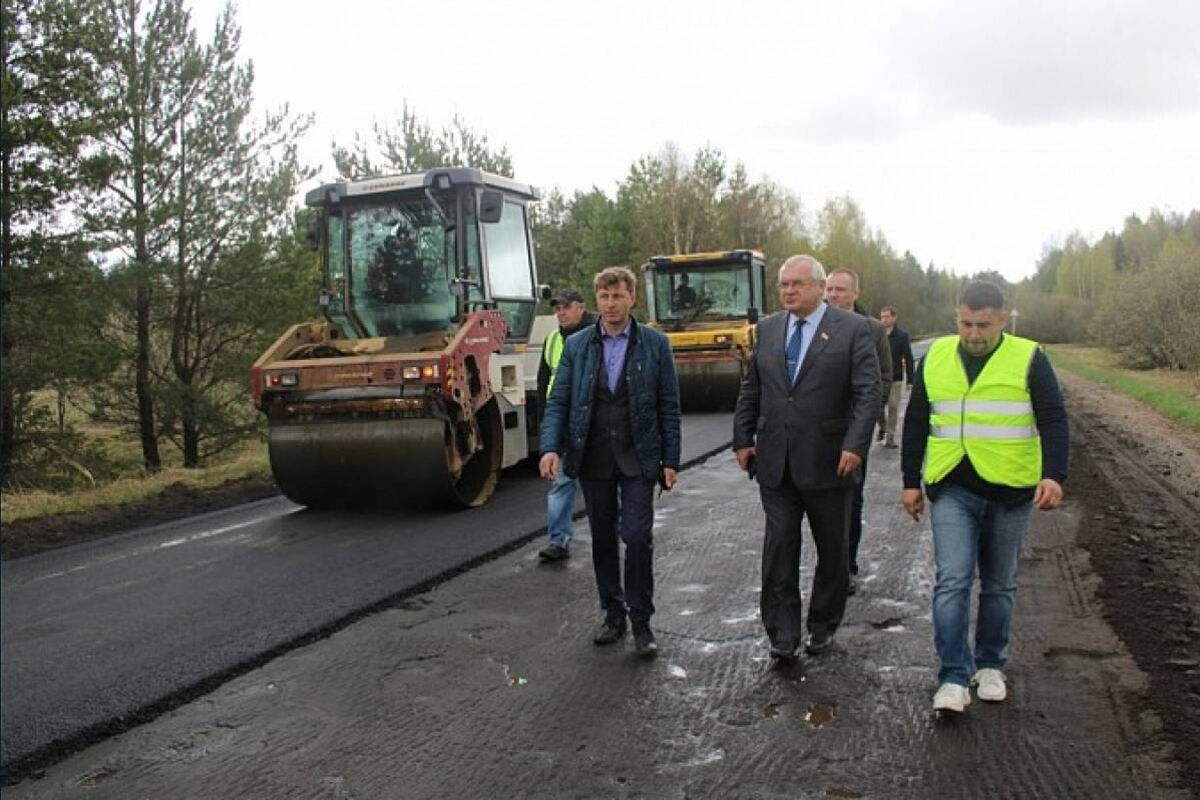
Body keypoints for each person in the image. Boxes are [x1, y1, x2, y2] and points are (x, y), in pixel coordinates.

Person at [900, 280, 1068, 713]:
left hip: (1009, 490)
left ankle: (990, 664)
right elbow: (917, 419)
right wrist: (909, 481)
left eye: (983, 326)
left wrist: (1053, 475)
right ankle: (953, 675)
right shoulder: (936, 355)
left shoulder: (1029, 357)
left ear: (1002, 318)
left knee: (998, 585)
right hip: (952, 486)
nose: (973, 334)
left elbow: (1052, 417)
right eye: (965, 324)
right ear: (956, 316)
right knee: (953, 579)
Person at [733, 255, 880, 661]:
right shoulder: (768, 329)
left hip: (831, 461)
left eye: (797, 284)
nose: (789, 292)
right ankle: (782, 632)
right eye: (783, 285)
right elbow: (753, 388)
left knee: (832, 549)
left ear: (820, 287)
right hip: (776, 462)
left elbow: (869, 393)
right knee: (779, 546)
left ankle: (822, 624)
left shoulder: (853, 330)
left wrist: (855, 445)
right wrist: (742, 438)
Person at [539, 266, 682, 657]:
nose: (611, 303)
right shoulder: (578, 345)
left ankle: (641, 621)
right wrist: (550, 447)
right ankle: (613, 614)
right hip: (594, 457)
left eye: (618, 295)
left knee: (636, 537)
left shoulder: (655, 344)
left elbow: (669, 405)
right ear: (596, 299)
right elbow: (559, 401)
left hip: (639, 458)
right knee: (602, 538)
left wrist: (671, 459)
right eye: (604, 296)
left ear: (632, 298)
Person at [823, 268, 891, 596]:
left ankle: (846, 567)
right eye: (829, 289)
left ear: (855, 294)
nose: (833, 295)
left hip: (853, 434)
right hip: (818, 432)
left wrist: (864, 426)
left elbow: (883, 381)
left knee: (851, 500)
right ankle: (828, 564)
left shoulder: (873, 330)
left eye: (840, 290)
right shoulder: (811, 327)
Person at [536, 289, 598, 562]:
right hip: (564, 423)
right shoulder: (551, 341)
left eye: (566, 307)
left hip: (595, 423)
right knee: (562, 483)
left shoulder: (599, 335)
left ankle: (619, 532)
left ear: (581, 307)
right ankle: (558, 540)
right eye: (557, 308)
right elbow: (543, 385)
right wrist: (546, 427)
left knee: (605, 483)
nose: (560, 312)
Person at [878, 305, 915, 448]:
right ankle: (883, 426)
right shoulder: (877, 334)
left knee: (893, 407)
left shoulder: (902, 336)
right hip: (879, 377)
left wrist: (910, 380)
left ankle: (890, 437)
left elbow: (909, 357)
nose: (884, 320)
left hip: (896, 377)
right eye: (882, 317)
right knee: (876, 407)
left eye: (887, 317)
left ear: (894, 317)